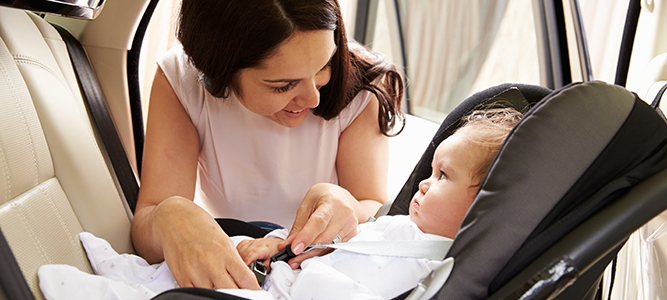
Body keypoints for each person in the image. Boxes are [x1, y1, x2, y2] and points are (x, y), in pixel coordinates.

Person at [131, 0, 404, 291]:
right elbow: (148, 220)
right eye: (283, 85)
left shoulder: (362, 84)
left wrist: (345, 206)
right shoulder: (182, 81)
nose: (313, 99)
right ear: (219, 70)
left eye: (324, 65)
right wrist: (169, 215)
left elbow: (372, 206)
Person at [234, 107, 524, 299]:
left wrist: (293, 273)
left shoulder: (428, 269)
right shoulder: (400, 226)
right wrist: (280, 246)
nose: (424, 183)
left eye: (443, 176)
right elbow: (335, 243)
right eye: (432, 171)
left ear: (483, 208)